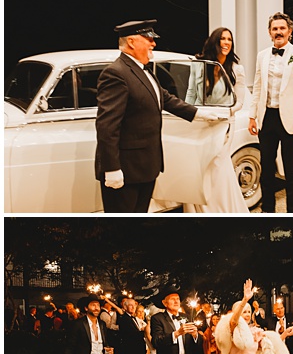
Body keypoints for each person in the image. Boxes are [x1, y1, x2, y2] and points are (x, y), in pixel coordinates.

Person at [95, 20, 226, 213]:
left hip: (145, 167)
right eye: (148, 39)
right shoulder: (116, 73)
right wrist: (112, 168)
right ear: (131, 42)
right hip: (126, 169)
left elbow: (165, 98)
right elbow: (107, 126)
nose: (153, 43)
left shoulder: (142, 70)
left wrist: (200, 113)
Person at [249, 12, 293, 213]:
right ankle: (267, 211)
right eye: (274, 29)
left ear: (289, 31)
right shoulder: (262, 56)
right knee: (267, 169)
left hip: (290, 120)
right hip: (266, 118)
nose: (278, 32)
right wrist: (253, 116)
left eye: (282, 28)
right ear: (270, 33)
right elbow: (257, 87)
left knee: (291, 170)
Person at [185, 27, 250, 213]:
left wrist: (222, 115)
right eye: (222, 39)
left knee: (218, 166)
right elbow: (191, 93)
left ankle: (222, 210)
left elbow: (239, 102)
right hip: (200, 123)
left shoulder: (237, 69)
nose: (226, 43)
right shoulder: (199, 64)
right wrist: (188, 115)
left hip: (223, 124)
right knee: (200, 167)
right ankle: (199, 208)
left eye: (229, 39)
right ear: (215, 41)